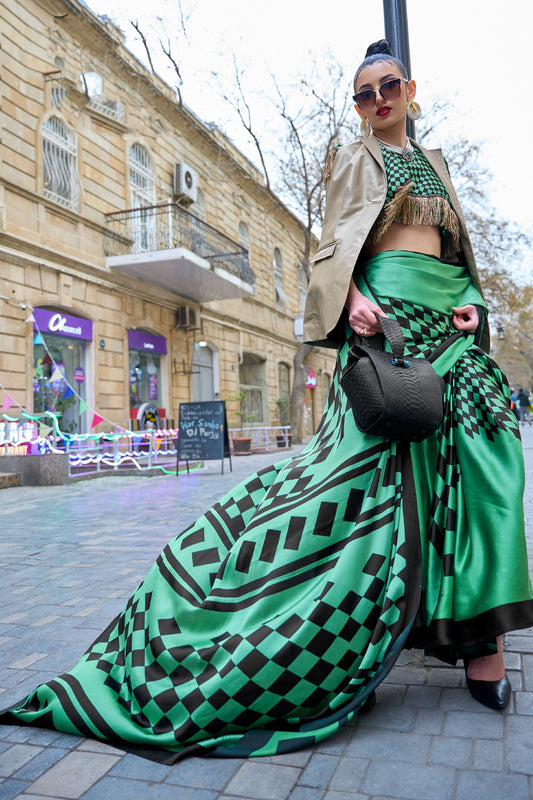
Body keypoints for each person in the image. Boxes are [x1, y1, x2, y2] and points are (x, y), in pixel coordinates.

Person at [2, 39, 533, 764]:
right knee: (359, 489)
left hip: (451, 324)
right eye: (363, 93)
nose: (377, 101)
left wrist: (472, 300)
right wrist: (354, 301)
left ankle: (482, 641)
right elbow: (335, 243)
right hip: (389, 327)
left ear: (409, 90)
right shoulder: (353, 157)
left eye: (387, 87)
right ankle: (342, 633)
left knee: (485, 470)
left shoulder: (435, 163)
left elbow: (459, 250)